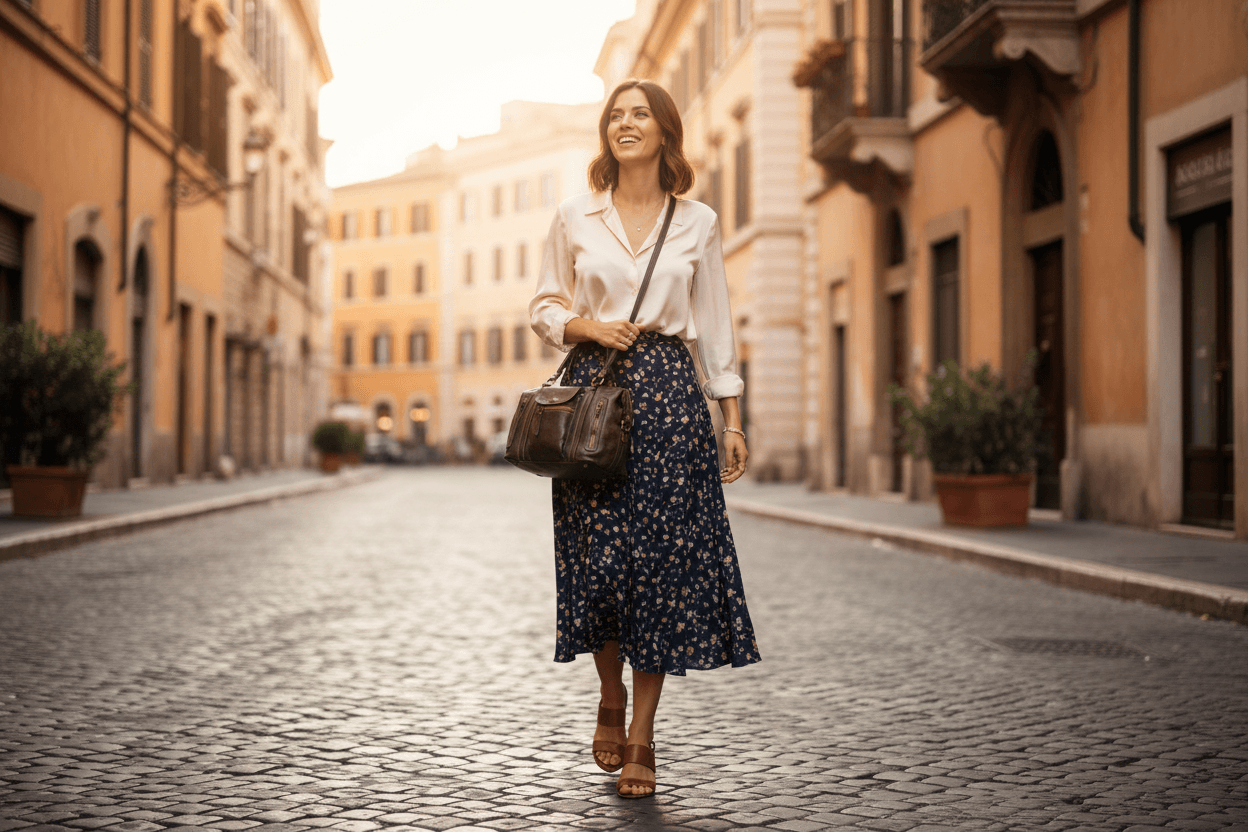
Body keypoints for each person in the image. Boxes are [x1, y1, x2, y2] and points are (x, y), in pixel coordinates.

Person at [529, 79, 761, 799]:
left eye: (640, 115)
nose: (626, 124)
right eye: (616, 116)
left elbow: (715, 324)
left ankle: (642, 735)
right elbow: (542, 302)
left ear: (665, 131)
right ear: (607, 134)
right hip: (592, 397)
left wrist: (730, 419)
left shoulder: (697, 222)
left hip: (668, 399)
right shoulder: (575, 215)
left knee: (656, 573)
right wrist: (584, 325)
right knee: (599, 567)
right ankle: (609, 694)